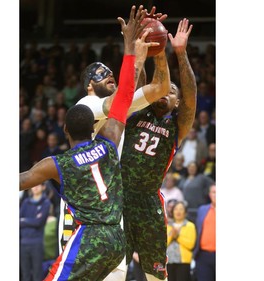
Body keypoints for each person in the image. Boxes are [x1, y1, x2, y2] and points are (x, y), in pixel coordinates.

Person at [19, 7, 155, 280]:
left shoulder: (58, 163)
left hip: (89, 234)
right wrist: (131, 50)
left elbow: (22, 180)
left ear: (65, 128)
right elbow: (125, 97)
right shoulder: (108, 139)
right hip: (117, 236)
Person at [58, 5, 170, 281]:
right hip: (82, 207)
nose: (108, 74)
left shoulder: (118, 106)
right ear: (88, 85)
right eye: (100, 72)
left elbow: (160, 89)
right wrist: (132, 51)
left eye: (111, 72)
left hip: (109, 209)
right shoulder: (89, 104)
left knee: (115, 275)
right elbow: (116, 101)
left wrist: (158, 51)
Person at [120, 18, 197, 281]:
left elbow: (190, 95)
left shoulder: (177, 125)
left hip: (148, 202)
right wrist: (144, 46)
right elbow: (137, 80)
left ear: (177, 102)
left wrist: (180, 53)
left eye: (172, 92)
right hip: (119, 198)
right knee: (115, 269)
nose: (167, 92)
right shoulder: (138, 109)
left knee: (155, 273)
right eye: (165, 88)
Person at [20, 183, 51, 281]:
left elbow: (39, 222)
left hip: (37, 243)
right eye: (33, 185)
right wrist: (30, 220)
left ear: (43, 187)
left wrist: (24, 220)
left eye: (38, 185)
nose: (35, 187)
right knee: (25, 274)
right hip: (23, 242)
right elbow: (18, 221)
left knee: (37, 274)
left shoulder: (46, 203)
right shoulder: (25, 202)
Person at [166, 201, 196, 281]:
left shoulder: (190, 226)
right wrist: (171, 235)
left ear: (185, 212)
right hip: (168, 262)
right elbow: (164, 244)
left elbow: (190, 244)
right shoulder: (167, 225)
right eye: (176, 209)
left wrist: (177, 236)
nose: (178, 211)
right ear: (172, 211)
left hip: (184, 263)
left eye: (181, 209)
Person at [193, 184, 216, 281]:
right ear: (209, 194)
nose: (216, 195)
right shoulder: (202, 210)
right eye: (214, 192)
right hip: (203, 256)